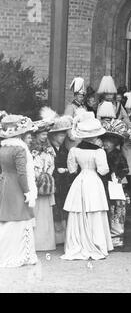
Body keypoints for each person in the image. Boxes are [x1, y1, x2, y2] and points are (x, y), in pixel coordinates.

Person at [61, 112, 113, 260]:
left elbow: (72, 170)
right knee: (94, 209)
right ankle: (96, 243)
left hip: (80, 179)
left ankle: (78, 243)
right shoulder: (99, 151)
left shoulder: (74, 150)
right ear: (95, 136)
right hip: (93, 180)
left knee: (79, 210)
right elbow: (103, 170)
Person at [0, 115, 38, 267]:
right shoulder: (20, 149)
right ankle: (19, 255)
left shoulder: (3, 148)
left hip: (5, 184)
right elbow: (22, 173)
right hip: (16, 186)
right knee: (19, 220)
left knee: (7, 220)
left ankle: (6, 253)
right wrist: (28, 192)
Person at [100, 119, 130, 248]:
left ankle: (116, 237)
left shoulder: (117, 154)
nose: (106, 143)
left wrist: (117, 176)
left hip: (114, 185)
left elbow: (125, 169)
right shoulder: (102, 153)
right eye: (105, 140)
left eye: (109, 141)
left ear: (115, 142)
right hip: (104, 184)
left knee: (116, 210)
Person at [30, 118, 56, 252]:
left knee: (45, 213)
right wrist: (37, 176)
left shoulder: (49, 149)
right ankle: (35, 242)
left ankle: (46, 243)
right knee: (35, 211)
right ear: (36, 135)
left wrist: (47, 175)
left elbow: (52, 164)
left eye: (46, 134)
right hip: (35, 181)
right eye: (42, 134)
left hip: (45, 181)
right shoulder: (31, 149)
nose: (45, 136)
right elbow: (31, 164)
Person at [48, 114, 73, 245]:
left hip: (63, 183)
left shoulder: (64, 150)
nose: (63, 138)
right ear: (53, 136)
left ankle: (63, 237)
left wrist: (66, 170)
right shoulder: (49, 149)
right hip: (53, 182)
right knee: (55, 208)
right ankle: (55, 237)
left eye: (64, 135)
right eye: (60, 135)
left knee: (62, 207)